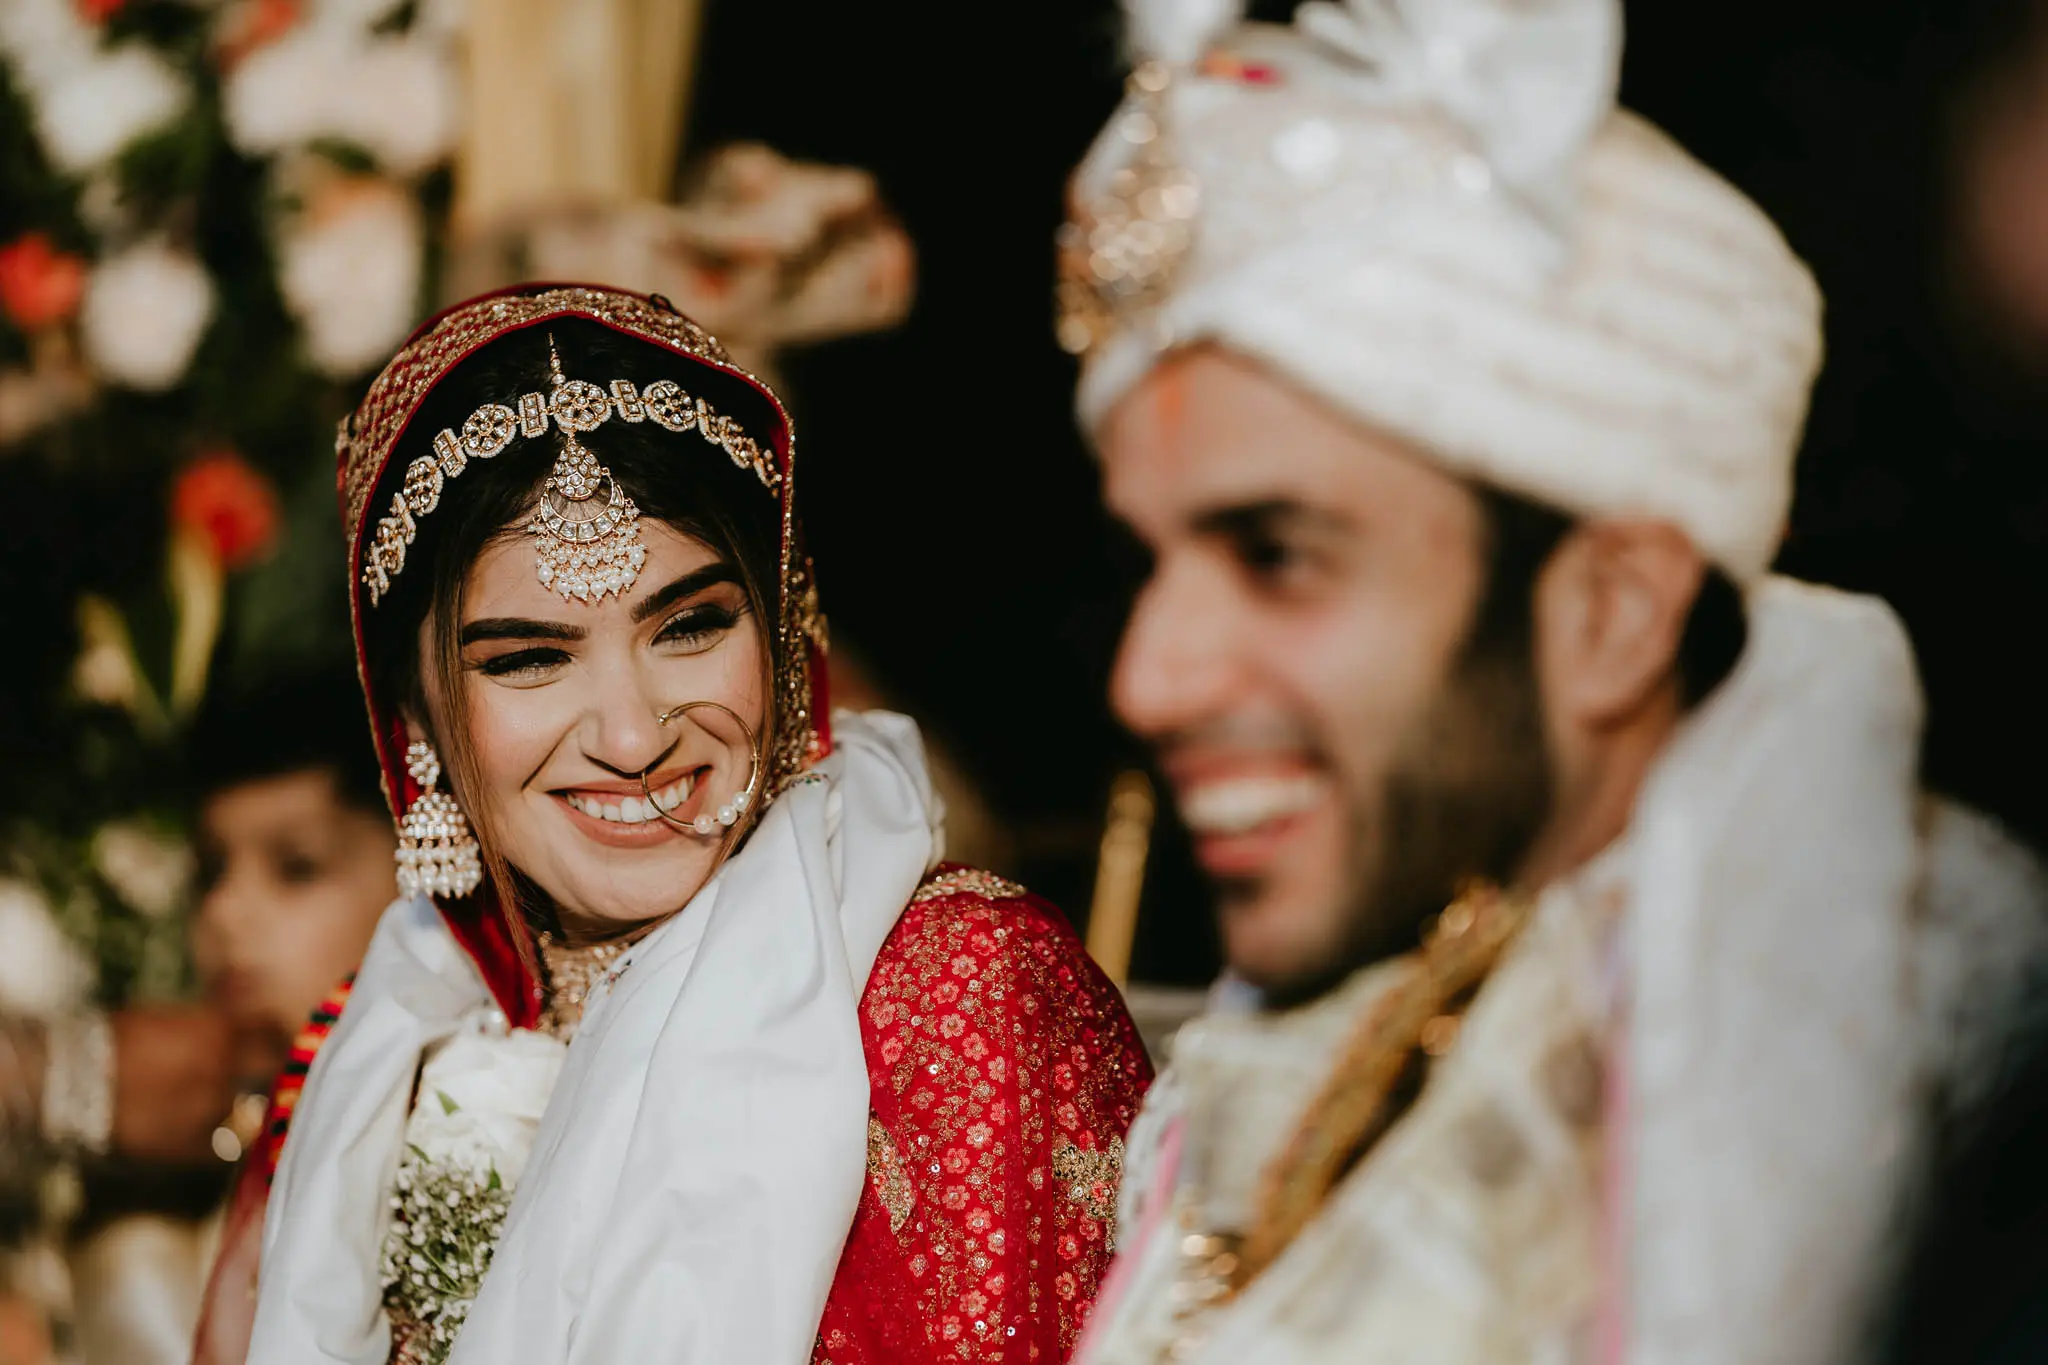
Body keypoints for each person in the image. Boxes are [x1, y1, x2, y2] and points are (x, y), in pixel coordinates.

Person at [1055, 2, 2048, 1363]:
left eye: (1277, 555)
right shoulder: (1377, 1022)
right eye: (1148, 561)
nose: (1149, 679)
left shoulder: (1910, 1148)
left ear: (1614, 610)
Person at [213, 284, 1148, 1365]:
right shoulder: (384, 1044)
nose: (631, 735)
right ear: (413, 716)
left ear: (784, 632)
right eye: (530, 658)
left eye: (691, 626)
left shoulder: (957, 993)